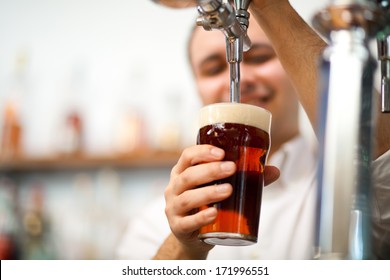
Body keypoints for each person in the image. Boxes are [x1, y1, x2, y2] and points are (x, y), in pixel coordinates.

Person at [116, 0, 390, 259]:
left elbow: (378, 153)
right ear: (196, 87)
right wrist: (184, 246)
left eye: (259, 57)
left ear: (290, 63)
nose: (241, 78)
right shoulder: (152, 224)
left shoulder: (346, 187)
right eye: (212, 69)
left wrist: (270, 7)